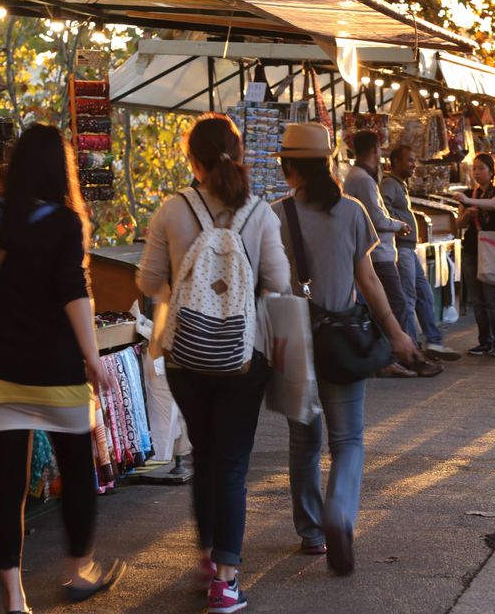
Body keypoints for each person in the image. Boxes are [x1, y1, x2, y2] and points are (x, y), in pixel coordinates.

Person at [0, 124, 125, 614]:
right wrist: (94, 360)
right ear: (59, 170)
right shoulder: (64, 223)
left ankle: (14, 598)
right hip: (58, 372)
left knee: (6, 488)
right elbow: (75, 294)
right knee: (77, 469)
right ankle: (79, 570)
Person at [137, 113, 291, 614]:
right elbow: (280, 282)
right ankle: (226, 581)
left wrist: (188, 296)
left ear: (192, 159)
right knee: (231, 464)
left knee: (204, 454)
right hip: (244, 356)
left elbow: (147, 281)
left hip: (184, 353)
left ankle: (207, 557)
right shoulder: (261, 213)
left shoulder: (172, 209)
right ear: (239, 155)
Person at [272, 123, 418, 576]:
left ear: (287, 166)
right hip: (342, 340)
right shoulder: (353, 211)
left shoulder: (275, 215)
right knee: (349, 440)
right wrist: (396, 333)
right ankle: (340, 514)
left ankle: (312, 532)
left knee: (304, 440)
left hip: (292, 342)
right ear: (328, 164)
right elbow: (369, 281)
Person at [343, 131, 418, 378]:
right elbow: (376, 217)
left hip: (375, 251)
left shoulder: (360, 176)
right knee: (396, 303)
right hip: (378, 253)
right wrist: (399, 225)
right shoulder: (363, 180)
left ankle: (394, 355)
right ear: (376, 149)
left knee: (388, 303)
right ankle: (400, 356)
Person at [380, 145, 459, 364]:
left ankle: (433, 340)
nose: (413, 164)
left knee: (424, 294)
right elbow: (382, 209)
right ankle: (411, 349)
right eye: (409, 160)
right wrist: (400, 223)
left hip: (409, 249)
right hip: (402, 248)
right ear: (395, 162)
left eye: (414, 160)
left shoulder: (399, 185)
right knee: (408, 297)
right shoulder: (389, 184)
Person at [453, 153, 495, 357]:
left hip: (493, 251)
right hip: (471, 250)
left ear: (491, 171)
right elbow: (458, 225)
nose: (477, 172)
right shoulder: (469, 194)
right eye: (474, 168)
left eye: (481, 168)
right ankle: (484, 341)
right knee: (477, 300)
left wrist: (468, 201)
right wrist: (467, 214)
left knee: (492, 298)